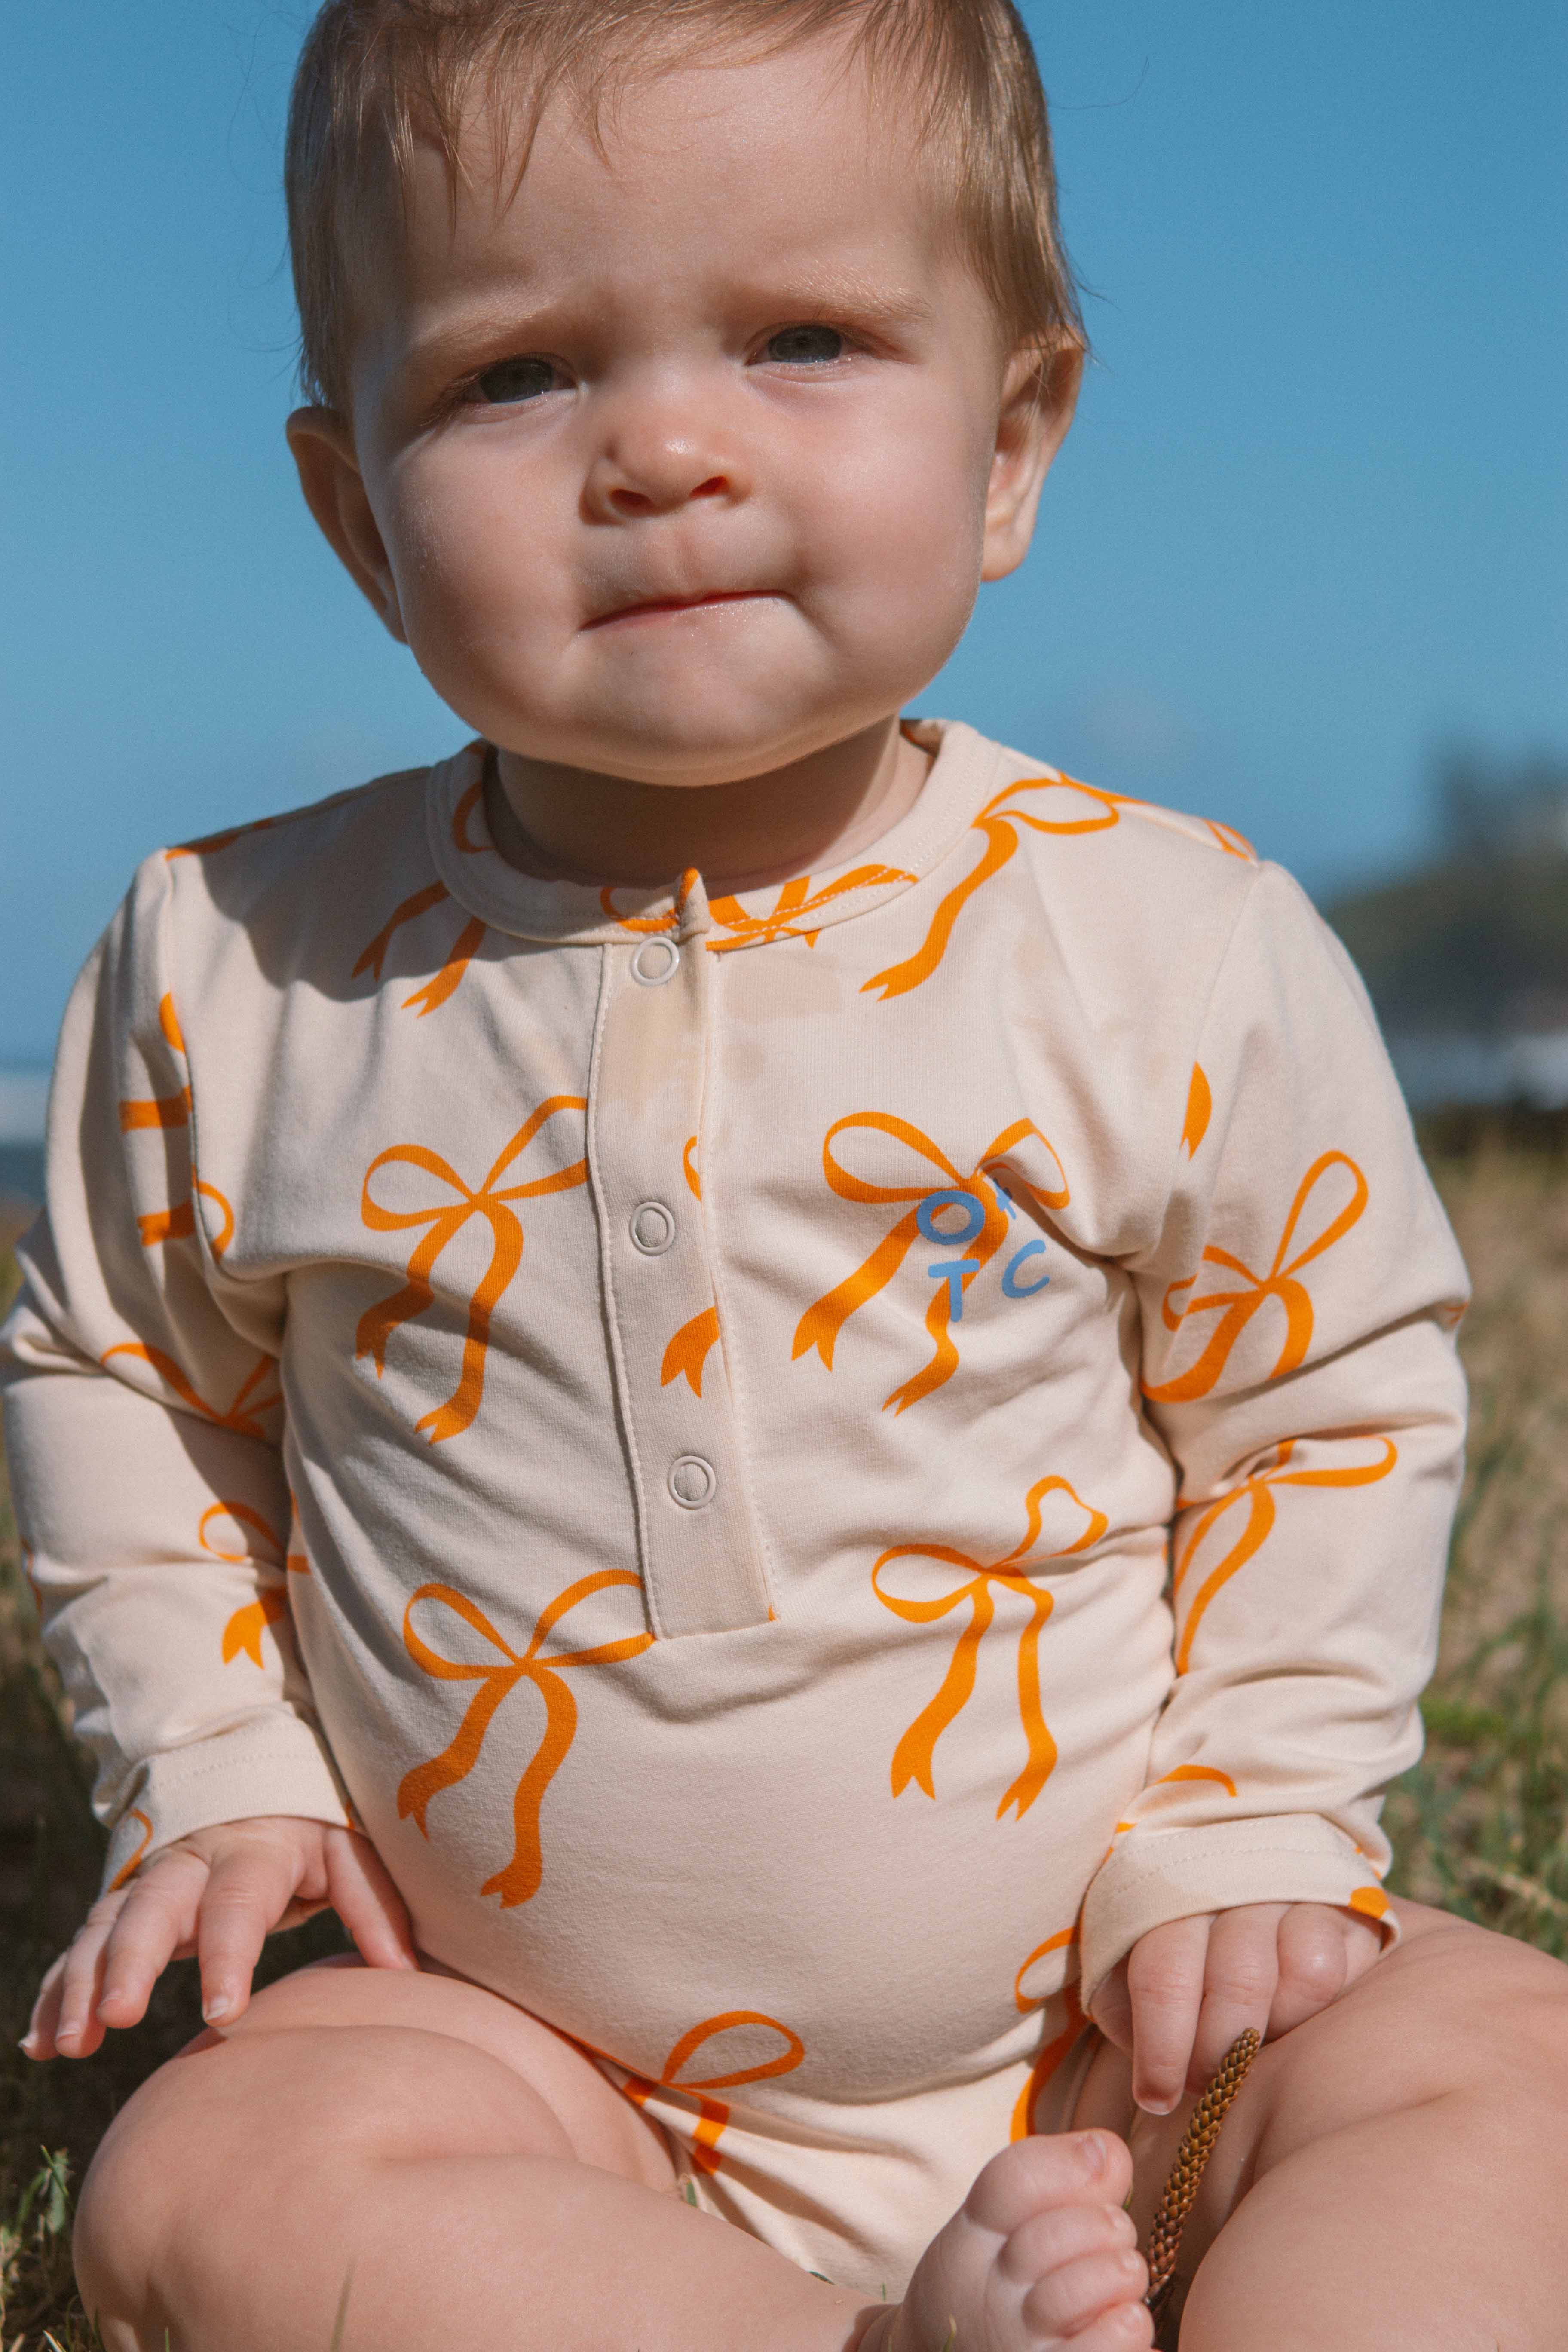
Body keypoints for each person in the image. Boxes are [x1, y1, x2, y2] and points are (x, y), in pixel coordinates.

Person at [6, 3, 1568, 2346]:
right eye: (517, 375)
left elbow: (1324, 1402)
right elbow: (113, 1373)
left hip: (1122, 2025)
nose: (659, 448)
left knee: (1507, 2072)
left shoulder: (1160, 938)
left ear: (1013, 441)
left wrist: (1246, 1829)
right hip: (550, 2074)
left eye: (804, 339)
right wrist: (216, 1761)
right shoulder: (235, 964)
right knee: (218, 2166)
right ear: (354, 516)